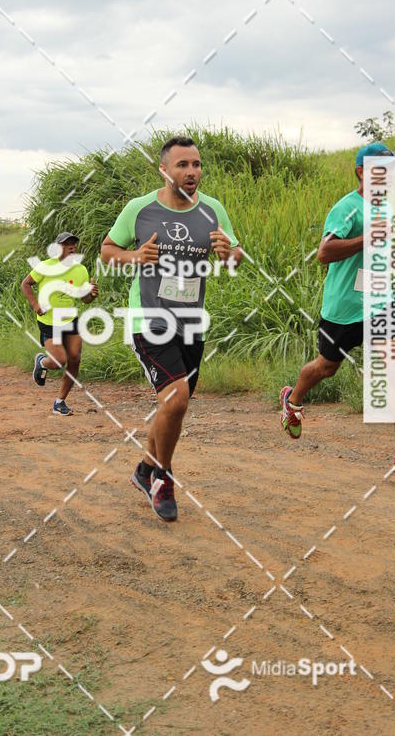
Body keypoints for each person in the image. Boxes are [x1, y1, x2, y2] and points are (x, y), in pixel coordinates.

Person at [100, 135, 242, 521]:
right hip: (149, 318)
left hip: (191, 321)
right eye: (182, 165)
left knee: (173, 407)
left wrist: (230, 255)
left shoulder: (212, 209)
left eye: (196, 164)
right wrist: (134, 255)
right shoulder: (139, 209)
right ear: (164, 170)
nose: (191, 171)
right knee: (176, 399)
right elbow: (107, 251)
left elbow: (235, 254)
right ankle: (163, 479)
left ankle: (144, 469)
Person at [280, 142, 395, 473]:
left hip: (380, 302)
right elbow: (324, 252)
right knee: (326, 367)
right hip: (345, 307)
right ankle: (292, 399)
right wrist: (368, 238)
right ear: (362, 172)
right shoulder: (347, 208)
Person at [22, 232, 98, 416]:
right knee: (59, 361)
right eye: (66, 244)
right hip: (49, 322)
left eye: (73, 243)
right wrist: (35, 305)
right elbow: (25, 284)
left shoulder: (81, 270)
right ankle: (42, 361)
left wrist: (91, 295)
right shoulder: (45, 266)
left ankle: (60, 402)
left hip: (69, 318)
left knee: (75, 359)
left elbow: (84, 299)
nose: (71, 246)